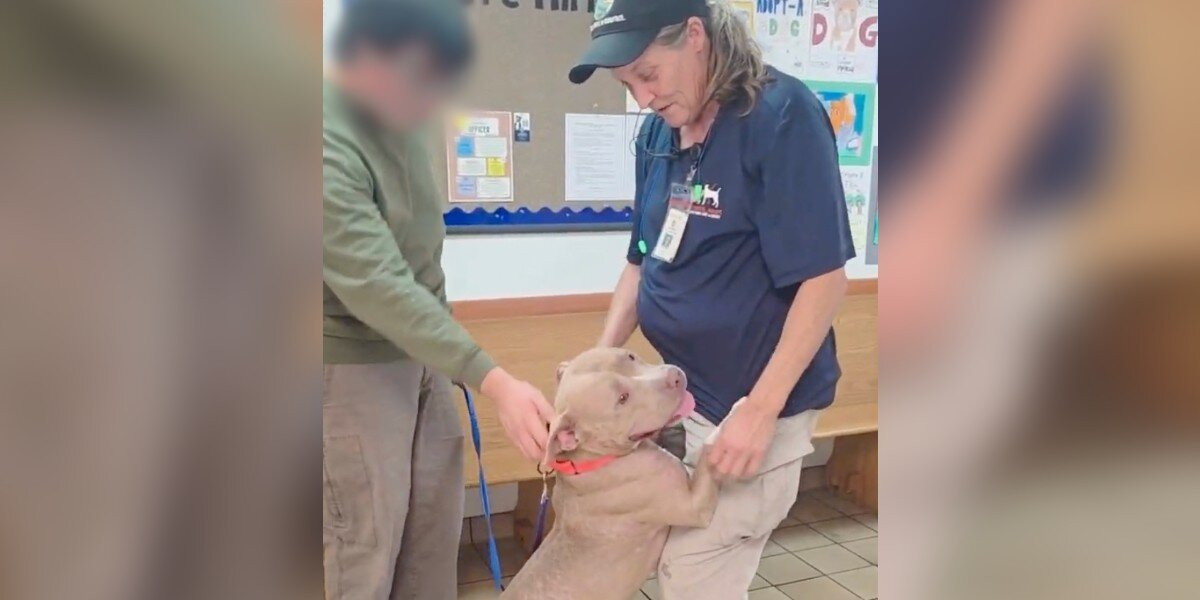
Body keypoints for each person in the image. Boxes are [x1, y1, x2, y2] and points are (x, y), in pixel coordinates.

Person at [568, 0, 855, 597]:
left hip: (750, 407)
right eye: (629, 85)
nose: (642, 98)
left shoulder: (780, 116)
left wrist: (760, 411)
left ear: (694, 36)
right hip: (675, 399)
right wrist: (594, 368)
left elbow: (824, 281)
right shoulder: (659, 133)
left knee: (692, 572)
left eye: (647, 75)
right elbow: (640, 263)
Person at [322, 1, 553, 598]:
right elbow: (376, 282)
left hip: (420, 362)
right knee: (360, 552)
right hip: (345, 367)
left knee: (431, 542)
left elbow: (419, 260)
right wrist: (493, 380)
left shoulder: (400, 123)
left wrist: (445, 360)